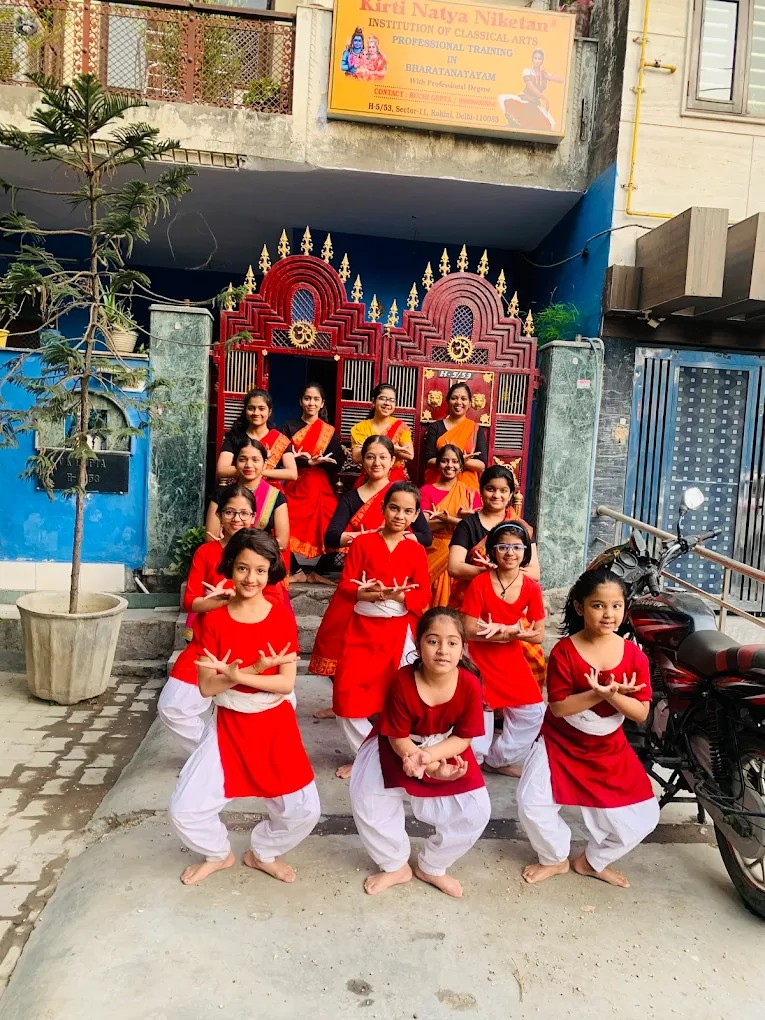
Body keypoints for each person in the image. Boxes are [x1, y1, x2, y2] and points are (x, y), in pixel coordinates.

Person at [169, 529, 321, 886]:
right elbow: (207, 686)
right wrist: (242, 676)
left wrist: (246, 673)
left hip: (274, 721)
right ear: (229, 568)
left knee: (304, 810)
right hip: (228, 723)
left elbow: (285, 683)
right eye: (242, 568)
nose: (250, 578)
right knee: (184, 809)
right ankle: (218, 853)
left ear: (271, 573)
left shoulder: (281, 616)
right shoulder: (213, 619)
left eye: (260, 570)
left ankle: (263, 852)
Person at [517, 566, 660, 889]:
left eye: (616, 606)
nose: (608, 614)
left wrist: (614, 696)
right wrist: (596, 693)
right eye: (598, 605)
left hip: (608, 747)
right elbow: (559, 707)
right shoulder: (565, 651)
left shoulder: (634, 657)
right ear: (580, 607)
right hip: (560, 742)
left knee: (644, 818)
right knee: (531, 802)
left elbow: (640, 713)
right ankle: (554, 857)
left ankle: (592, 861)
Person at [349, 608, 491, 898]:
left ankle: (433, 865)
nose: (443, 650)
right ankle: (394, 865)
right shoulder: (402, 680)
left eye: (452, 642)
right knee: (368, 799)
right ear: (417, 644)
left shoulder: (470, 684)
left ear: (463, 648)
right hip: (396, 746)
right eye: (433, 641)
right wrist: (414, 757)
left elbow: (463, 737)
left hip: (445, 747)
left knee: (476, 810)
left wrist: (431, 758)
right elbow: (397, 735)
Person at [309, 435, 431, 680]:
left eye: (383, 457)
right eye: (370, 457)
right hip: (362, 571)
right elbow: (332, 536)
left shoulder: (402, 495)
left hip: (397, 571)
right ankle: (346, 699)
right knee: (344, 643)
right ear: (362, 461)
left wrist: (397, 539)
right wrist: (366, 538)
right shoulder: (352, 497)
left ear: (392, 460)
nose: (377, 462)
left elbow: (425, 536)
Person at [332, 482, 431, 779]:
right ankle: (366, 755)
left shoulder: (415, 550)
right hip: (361, 628)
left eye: (408, 511)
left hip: (399, 631)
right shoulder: (362, 543)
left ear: (415, 516)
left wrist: (400, 596)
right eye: (394, 508)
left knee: (400, 698)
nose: (400, 515)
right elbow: (347, 585)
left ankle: (406, 754)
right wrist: (370, 593)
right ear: (383, 508)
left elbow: (423, 594)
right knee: (345, 697)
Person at [159, 486, 260, 755]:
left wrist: (236, 596)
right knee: (172, 707)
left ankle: (235, 758)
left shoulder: (263, 552)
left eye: (243, 513)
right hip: (206, 646)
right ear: (219, 515)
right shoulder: (206, 552)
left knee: (260, 714)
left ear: (254, 516)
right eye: (229, 512)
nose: (236, 519)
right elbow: (192, 602)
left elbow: (272, 601)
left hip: (249, 647)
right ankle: (214, 756)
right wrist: (223, 599)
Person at [447, 465, 544, 687]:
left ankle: (511, 703)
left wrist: (502, 571)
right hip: (471, 603)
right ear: (481, 491)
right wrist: (492, 572)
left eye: (503, 490)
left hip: (511, 605)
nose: (496, 495)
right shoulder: (467, 525)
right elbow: (454, 567)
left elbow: (534, 572)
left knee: (529, 652)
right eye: (491, 489)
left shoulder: (522, 528)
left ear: (511, 494)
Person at [462, 521, 546, 776]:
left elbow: (539, 635)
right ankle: (471, 764)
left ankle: (496, 760)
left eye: (517, 547)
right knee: (480, 711)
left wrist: (508, 631)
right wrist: (505, 631)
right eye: (503, 546)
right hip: (477, 656)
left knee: (532, 712)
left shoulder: (531, 587)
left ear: (525, 552)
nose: (510, 553)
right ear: (493, 550)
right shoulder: (479, 582)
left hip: (510, 655)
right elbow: (467, 630)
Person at [282, 383, 343, 585]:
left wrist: (324, 461)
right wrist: (305, 461)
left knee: (335, 526)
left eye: (316, 399)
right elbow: (282, 455)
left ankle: (319, 571)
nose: (311, 403)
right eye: (307, 398)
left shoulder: (328, 431)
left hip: (320, 485)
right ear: (301, 401)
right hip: (296, 482)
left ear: (322, 403)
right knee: (282, 524)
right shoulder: (289, 426)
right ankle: (296, 570)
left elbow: (338, 460)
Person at [205, 438, 290, 576]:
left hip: (260, 569)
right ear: (235, 463)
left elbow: (282, 542)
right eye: (243, 459)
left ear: (265, 463)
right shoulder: (221, 495)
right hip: (224, 564)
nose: (248, 465)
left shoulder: (276, 497)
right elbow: (211, 537)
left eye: (255, 460)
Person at [420, 444, 481, 607]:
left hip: (462, 553)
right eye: (445, 461)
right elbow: (424, 527)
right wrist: (457, 520)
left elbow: (476, 528)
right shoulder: (426, 491)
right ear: (438, 464)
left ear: (461, 466)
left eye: (455, 461)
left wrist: (446, 519)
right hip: (434, 549)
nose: (450, 466)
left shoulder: (471, 493)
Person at [215, 388, 297, 487]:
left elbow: (292, 473)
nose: (256, 413)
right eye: (251, 408)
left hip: (269, 496)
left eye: (261, 408)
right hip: (240, 495)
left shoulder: (280, 439)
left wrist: (259, 471)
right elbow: (222, 470)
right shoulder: (234, 436)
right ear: (245, 410)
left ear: (269, 411)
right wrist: (255, 470)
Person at [423, 382, 488, 491]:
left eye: (463, 399)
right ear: (448, 401)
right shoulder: (435, 427)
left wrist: (461, 460)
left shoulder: (475, 429)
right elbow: (429, 461)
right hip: (438, 487)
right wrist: (456, 460)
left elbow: (481, 465)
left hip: (466, 489)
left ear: (470, 403)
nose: (459, 402)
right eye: (454, 398)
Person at [350, 383, 413, 484]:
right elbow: (357, 457)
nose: (387, 403)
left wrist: (369, 450)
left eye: (391, 400)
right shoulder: (360, 428)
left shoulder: (401, 427)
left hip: (395, 482)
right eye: (382, 398)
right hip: (369, 478)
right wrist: (392, 449)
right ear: (374, 401)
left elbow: (409, 454)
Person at [498, 48, 565, 131]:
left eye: (539, 59)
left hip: (534, 102)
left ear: (542, 61)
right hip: (524, 99)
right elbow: (531, 87)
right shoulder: (527, 71)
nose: (537, 61)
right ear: (532, 59)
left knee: (550, 123)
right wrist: (544, 98)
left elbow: (561, 80)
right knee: (503, 98)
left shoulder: (544, 74)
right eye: (535, 58)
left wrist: (548, 77)